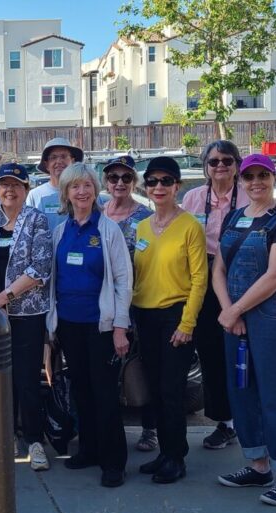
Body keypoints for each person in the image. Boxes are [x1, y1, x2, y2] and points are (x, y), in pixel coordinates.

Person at [213, 154, 276, 505]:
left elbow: (275, 275)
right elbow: (219, 269)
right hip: (234, 319)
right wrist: (228, 312)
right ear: (241, 181)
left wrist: (235, 309)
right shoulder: (234, 217)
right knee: (243, 391)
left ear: (273, 178)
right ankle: (258, 466)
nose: (256, 182)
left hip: (273, 317)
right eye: (249, 176)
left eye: (262, 176)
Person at [46, 163, 133, 488]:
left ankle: (114, 462)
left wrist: (121, 327)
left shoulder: (108, 230)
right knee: (81, 391)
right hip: (69, 325)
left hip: (102, 327)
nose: (81, 192)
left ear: (96, 190)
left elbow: (124, 280)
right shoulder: (60, 232)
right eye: (74, 187)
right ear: (66, 194)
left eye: (86, 185)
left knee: (105, 394)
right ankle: (90, 450)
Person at [0, 162, 53, 471]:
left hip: (26, 316)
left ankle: (33, 441)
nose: (9, 190)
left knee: (26, 379)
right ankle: (1, 439)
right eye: (4, 184)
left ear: (26, 189)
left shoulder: (37, 221)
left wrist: (5, 297)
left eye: (16, 185)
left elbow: (39, 267)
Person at [132, 156, 207, 484]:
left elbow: (200, 279)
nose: (159, 187)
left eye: (166, 181)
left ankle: (176, 457)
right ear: (146, 187)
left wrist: (187, 324)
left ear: (177, 186)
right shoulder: (142, 227)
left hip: (175, 316)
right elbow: (136, 275)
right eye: (152, 182)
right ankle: (164, 451)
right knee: (156, 390)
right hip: (145, 316)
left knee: (172, 390)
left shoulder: (190, 225)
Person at [182, 140, 249, 450]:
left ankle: (250, 418)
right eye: (213, 162)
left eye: (226, 160)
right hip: (204, 277)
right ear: (205, 167)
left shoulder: (250, 195)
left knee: (244, 352)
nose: (220, 166)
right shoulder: (194, 198)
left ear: (237, 164)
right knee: (211, 353)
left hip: (244, 276)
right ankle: (226, 422)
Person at [100, 155, 158, 453]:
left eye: (125, 178)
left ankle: (150, 428)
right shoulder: (98, 213)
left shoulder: (146, 216)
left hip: (138, 302)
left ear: (134, 181)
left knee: (141, 365)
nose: (119, 183)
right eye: (113, 178)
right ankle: (111, 430)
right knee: (108, 368)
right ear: (105, 181)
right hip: (103, 303)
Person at [26, 137, 83, 228]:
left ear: (72, 161)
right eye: (53, 157)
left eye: (64, 156)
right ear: (46, 164)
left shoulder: (84, 193)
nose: (59, 161)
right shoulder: (35, 195)